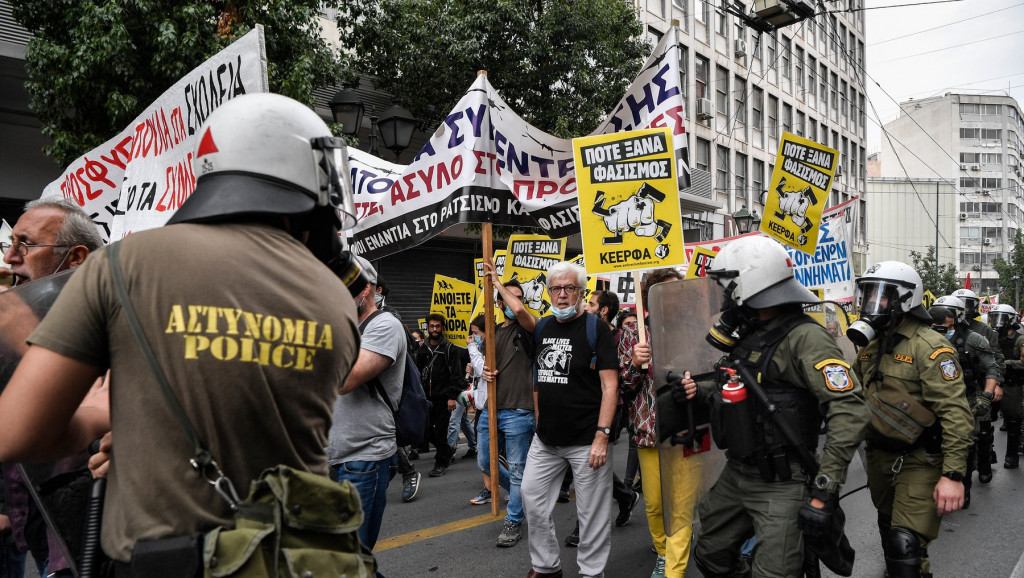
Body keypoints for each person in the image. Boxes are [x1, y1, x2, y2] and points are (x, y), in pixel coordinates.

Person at [0, 93, 362, 570]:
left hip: (163, 560)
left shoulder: (124, 264)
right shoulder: (337, 299)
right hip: (290, 557)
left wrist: (100, 413)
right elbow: (249, 412)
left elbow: (15, 432)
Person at [674, 236, 869, 578]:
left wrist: (824, 489)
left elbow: (849, 411)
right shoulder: (751, 334)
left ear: (750, 281)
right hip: (738, 471)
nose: (723, 296)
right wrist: (698, 389)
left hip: (783, 480)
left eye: (726, 286)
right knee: (709, 552)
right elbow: (742, 382)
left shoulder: (806, 338)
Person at [0, 198, 104, 577]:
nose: (11, 257)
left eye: (25, 244)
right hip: (24, 524)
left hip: (76, 539)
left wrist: (26, 341)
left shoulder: (114, 320)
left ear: (75, 258)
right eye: (9, 243)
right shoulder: (12, 318)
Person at [850, 261, 973, 578]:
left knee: (905, 544)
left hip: (920, 459)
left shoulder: (930, 347)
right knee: (888, 530)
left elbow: (955, 413)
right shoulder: (871, 347)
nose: (871, 304)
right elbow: (850, 395)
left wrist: (954, 474)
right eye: (867, 294)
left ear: (906, 299)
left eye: (881, 296)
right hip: (879, 457)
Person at [520, 261, 619, 578]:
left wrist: (602, 436)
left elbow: (610, 385)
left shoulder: (595, 328)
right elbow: (537, 377)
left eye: (569, 288)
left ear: (581, 292)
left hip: (586, 440)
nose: (562, 295)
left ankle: (591, 572)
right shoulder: (545, 326)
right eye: (556, 289)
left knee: (591, 514)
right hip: (546, 439)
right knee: (532, 499)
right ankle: (547, 567)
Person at [327, 256, 405, 550]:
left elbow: (346, 380)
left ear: (365, 290)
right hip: (328, 457)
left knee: (351, 556)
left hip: (363, 458)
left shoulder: (385, 326)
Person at [621, 268, 694, 578]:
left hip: (686, 432)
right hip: (648, 433)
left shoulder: (695, 330)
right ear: (650, 298)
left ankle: (673, 572)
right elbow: (621, 387)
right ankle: (664, 552)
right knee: (654, 505)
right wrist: (634, 364)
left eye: (679, 291)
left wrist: (697, 386)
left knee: (681, 508)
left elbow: (712, 376)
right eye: (666, 292)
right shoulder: (633, 335)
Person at [563, 289, 639, 550]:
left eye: (591, 303)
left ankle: (583, 526)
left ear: (604, 310)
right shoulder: (581, 330)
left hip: (610, 408)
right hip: (582, 406)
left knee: (591, 463)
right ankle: (626, 496)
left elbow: (626, 375)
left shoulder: (620, 336)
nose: (585, 305)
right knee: (588, 463)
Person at [478, 274, 538, 548]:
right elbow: (485, 365)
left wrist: (499, 284)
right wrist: (483, 370)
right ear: (498, 304)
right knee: (484, 463)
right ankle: (523, 493)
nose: (516, 302)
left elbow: (520, 311)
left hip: (518, 412)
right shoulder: (492, 331)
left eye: (519, 296)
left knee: (516, 471)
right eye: (508, 298)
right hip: (491, 409)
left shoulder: (529, 327)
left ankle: (513, 520)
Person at [929, 296, 1000, 505]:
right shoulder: (925, 339)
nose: (940, 320)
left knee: (965, 443)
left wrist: (986, 395)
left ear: (958, 316)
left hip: (966, 399)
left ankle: (964, 487)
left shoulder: (974, 339)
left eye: (946, 315)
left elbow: (992, 368)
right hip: (934, 400)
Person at [415, 313, 469, 477]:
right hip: (426, 399)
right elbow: (417, 373)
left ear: (442, 328)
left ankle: (441, 463)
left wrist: (452, 397)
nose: (435, 329)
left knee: (440, 431)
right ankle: (446, 450)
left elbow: (456, 376)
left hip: (443, 399)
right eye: (432, 326)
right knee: (424, 431)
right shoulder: (423, 350)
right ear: (428, 328)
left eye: (438, 326)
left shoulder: (450, 349)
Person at [989, 304, 1024, 468]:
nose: (997, 322)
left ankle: (1011, 456)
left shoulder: (1019, 339)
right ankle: (986, 454)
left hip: (1012, 384)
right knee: (985, 419)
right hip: (993, 381)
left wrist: (1004, 363)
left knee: (1013, 420)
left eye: (1001, 318)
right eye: (995, 317)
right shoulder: (992, 337)